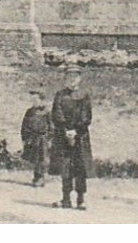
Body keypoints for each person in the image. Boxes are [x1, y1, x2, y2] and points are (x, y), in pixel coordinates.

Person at [50, 67, 92, 211]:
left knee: (81, 168)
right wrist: (66, 130)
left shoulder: (84, 96)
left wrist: (76, 131)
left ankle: (80, 200)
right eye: (69, 76)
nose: (72, 79)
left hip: (80, 137)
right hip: (63, 137)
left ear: (80, 79)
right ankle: (66, 199)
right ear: (65, 78)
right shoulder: (60, 95)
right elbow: (57, 114)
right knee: (65, 168)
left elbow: (86, 116)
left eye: (75, 77)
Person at [19, 89, 52, 188]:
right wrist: (24, 138)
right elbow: (24, 125)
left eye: (36, 100)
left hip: (43, 138)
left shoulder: (47, 112)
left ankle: (40, 178)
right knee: (34, 158)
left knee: (42, 159)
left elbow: (52, 127)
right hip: (32, 138)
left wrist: (49, 139)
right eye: (32, 100)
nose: (33, 102)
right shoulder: (29, 111)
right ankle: (36, 177)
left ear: (41, 100)